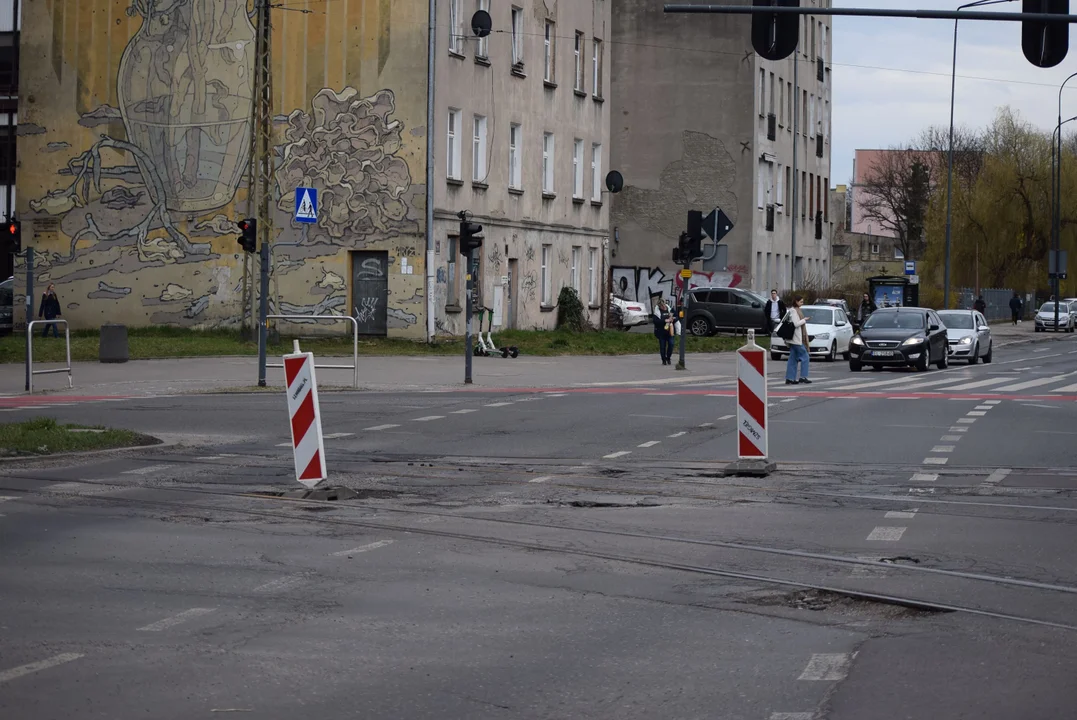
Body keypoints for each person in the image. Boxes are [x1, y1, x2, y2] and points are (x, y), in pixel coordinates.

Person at [784, 295, 811, 385]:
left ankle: (790, 378)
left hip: (794, 339)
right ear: (796, 301)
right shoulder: (794, 311)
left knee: (793, 358)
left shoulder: (794, 310)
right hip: (796, 339)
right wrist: (804, 320)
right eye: (801, 302)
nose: (802, 303)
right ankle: (803, 377)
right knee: (805, 356)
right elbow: (795, 324)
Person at [652, 299, 675, 366]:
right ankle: (663, 360)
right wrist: (664, 320)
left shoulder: (670, 309)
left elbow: (676, 316)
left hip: (670, 331)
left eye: (663, 305)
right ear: (659, 306)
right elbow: (655, 322)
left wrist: (673, 319)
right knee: (662, 346)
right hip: (661, 332)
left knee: (671, 344)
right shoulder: (657, 312)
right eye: (661, 306)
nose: (663, 307)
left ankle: (668, 358)